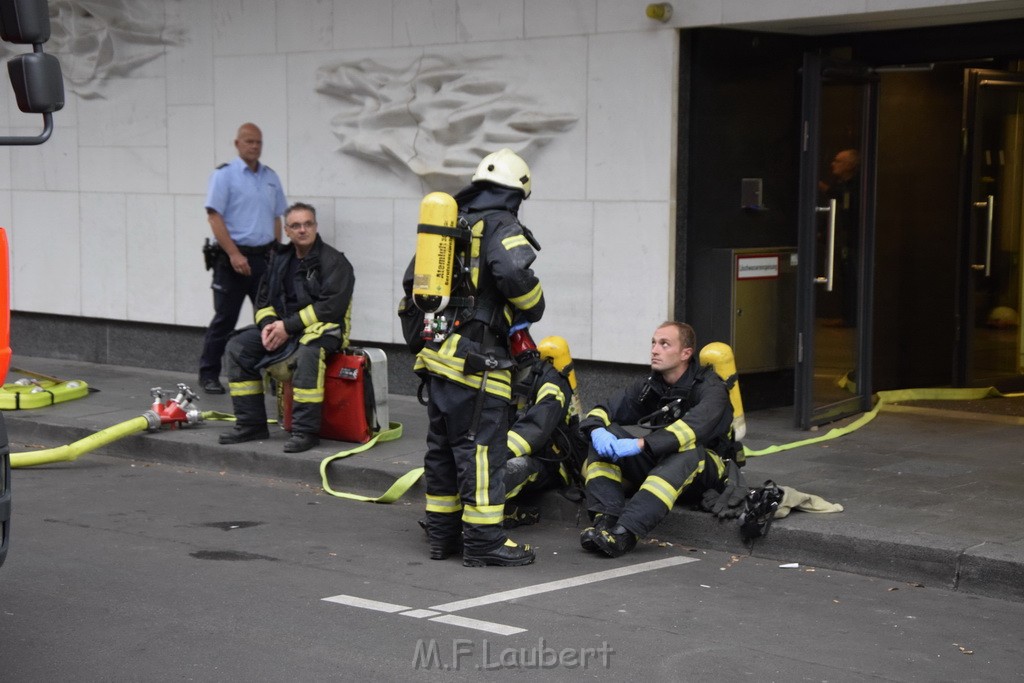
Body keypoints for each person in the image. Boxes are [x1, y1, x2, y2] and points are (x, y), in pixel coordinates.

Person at [400, 148, 545, 567]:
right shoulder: (501, 223)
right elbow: (515, 275)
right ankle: (483, 542)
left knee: (443, 451)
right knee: (482, 452)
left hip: (439, 357)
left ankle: (442, 536)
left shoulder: (451, 226)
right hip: (477, 364)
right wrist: (535, 306)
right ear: (516, 193)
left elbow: (413, 282)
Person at [577, 321, 740, 558]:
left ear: (686, 353)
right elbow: (604, 409)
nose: (655, 349)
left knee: (688, 450)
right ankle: (605, 521)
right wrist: (597, 431)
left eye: (664, 344)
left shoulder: (711, 388)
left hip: (707, 471)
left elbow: (693, 429)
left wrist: (640, 444)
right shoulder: (652, 385)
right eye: (654, 343)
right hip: (663, 464)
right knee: (606, 435)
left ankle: (625, 533)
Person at [218, 202, 355, 453]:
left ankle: (305, 431)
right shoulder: (279, 260)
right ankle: (251, 424)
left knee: (308, 351)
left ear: (315, 226)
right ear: (287, 231)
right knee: (238, 347)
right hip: (284, 327)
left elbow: (330, 308)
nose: (303, 230)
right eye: (296, 226)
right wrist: (269, 326)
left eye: (308, 224)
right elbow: (263, 301)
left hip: (326, 329)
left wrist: (288, 327)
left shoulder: (335, 262)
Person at [199, 122, 287, 395]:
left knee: (272, 320)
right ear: (237, 144)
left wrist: (277, 253)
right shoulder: (224, 176)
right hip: (232, 260)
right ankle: (209, 374)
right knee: (225, 319)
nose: (254, 146)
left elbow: (276, 217)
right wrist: (234, 254)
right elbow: (214, 217)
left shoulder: (271, 176)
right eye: (249, 141)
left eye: (258, 142)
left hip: (264, 260)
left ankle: (275, 374)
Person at [502, 335, 587, 527]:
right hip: (517, 450)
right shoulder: (509, 377)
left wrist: (496, 454)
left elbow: (535, 430)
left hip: (552, 463)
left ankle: (474, 516)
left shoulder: (552, 383)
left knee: (515, 467)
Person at [819, 148, 860, 327]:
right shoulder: (841, 185)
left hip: (855, 241)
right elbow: (834, 194)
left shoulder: (858, 186)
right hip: (843, 240)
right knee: (845, 277)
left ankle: (853, 318)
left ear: (851, 165)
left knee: (853, 278)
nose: (833, 164)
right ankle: (847, 317)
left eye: (838, 161)